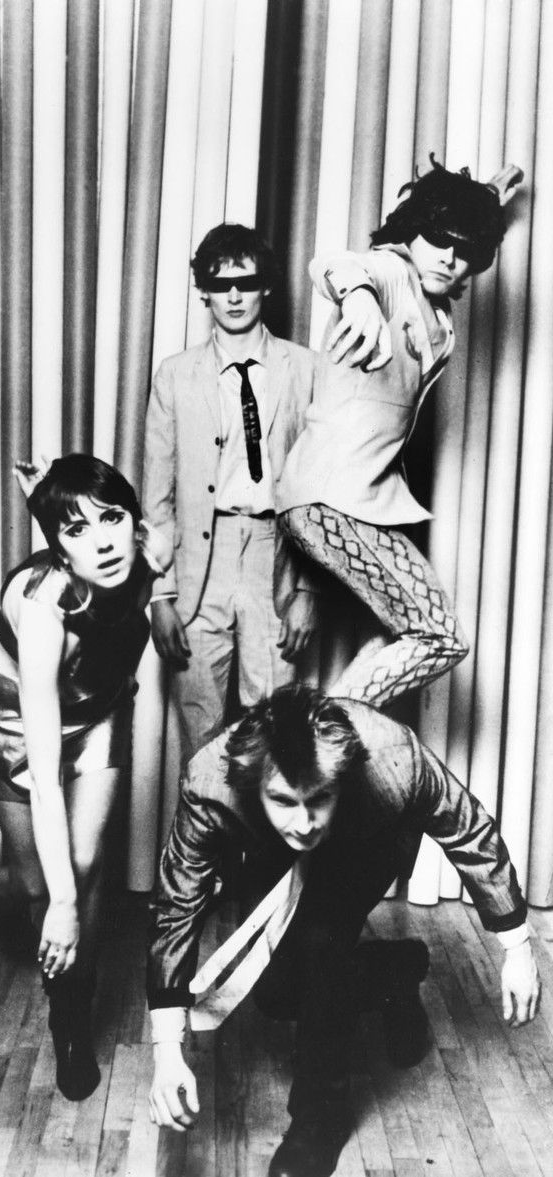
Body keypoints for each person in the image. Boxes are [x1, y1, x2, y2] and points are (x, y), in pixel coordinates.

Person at [146, 684, 540, 1177]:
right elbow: (176, 906)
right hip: (268, 846)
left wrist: (517, 948)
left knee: (322, 944)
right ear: (253, 784)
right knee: (276, 994)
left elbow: (469, 829)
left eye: (318, 798)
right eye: (284, 800)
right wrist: (167, 1049)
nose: (305, 822)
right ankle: (395, 970)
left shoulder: (394, 758)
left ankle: (320, 1119)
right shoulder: (210, 780)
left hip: (368, 836)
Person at [276, 158, 520, 707]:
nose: (450, 259)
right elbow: (334, 264)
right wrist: (358, 297)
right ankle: (324, 733)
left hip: (363, 498)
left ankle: (327, 728)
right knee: (440, 637)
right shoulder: (391, 272)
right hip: (332, 496)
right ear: (412, 231)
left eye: (466, 251)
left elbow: (458, 229)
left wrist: (487, 200)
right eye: (438, 240)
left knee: (400, 634)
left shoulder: (437, 306)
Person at [0, 455, 170, 1101]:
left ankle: (70, 1018)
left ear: (135, 520)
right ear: (58, 547)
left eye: (112, 518)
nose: (105, 542)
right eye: (78, 530)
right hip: (19, 714)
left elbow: (134, 575)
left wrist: (60, 505)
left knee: (84, 862)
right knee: (38, 884)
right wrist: (58, 906)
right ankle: (3, 897)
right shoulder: (41, 612)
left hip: (99, 707)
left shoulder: (148, 552)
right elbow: (46, 777)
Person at [143, 224, 319, 763]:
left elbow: (321, 489)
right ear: (204, 292)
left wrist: (307, 590)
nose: (235, 296)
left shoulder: (306, 369)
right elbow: (157, 495)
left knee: (278, 731)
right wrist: (160, 595)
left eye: (247, 282)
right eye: (222, 285)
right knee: (201, 735)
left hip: (277, 555)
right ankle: (204, 824)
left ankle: (269, 825)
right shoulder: (175, 375)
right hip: (200, 560)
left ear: (267, 286)